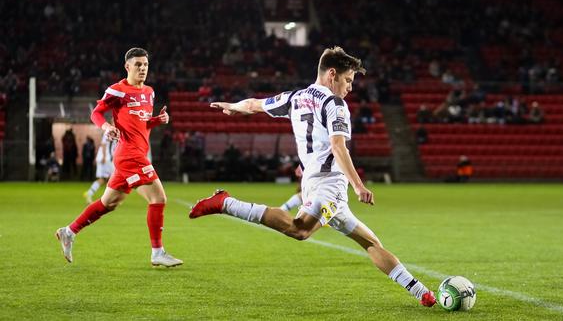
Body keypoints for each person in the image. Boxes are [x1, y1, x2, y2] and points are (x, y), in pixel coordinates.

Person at [189, 46, 436, 307]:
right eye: (348, 80)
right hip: (328, 183)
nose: (350, 88)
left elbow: (254, 105)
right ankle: (225, 202)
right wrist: (359, 185)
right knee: (300, 229)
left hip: (316, 183)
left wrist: (234, 107)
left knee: (370, 242)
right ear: (332, 74)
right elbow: (338, 146)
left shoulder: (294, 97)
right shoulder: (335, 104)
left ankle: (422, 293)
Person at [55, 47, 183, 267]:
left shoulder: (149, 92)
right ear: (127, 67)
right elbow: (95, 112)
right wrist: (105, 127)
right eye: (138, 65)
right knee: (158, 198)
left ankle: (69, 231)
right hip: (129, 155)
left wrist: (156, 121)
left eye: (145, 65)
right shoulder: (117, 90)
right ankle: (157, 252)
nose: (142, 69)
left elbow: (141, 124)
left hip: (135, 154)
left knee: (108, 203)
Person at [83, 130, 116, 203]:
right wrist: (104, 156)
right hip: (106, 159)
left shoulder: (114, 132)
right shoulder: (109, 131)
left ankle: (89, 193)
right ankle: (112, 198)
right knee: (114, 178)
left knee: (103, 179)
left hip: (105, 159)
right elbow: (103, 144)